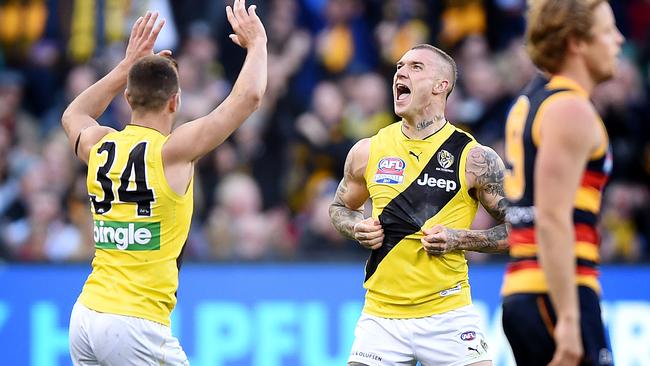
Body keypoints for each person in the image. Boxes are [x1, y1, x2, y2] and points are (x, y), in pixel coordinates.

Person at [62, 1, 267, 364]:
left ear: (127, 96)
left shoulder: (99, 144)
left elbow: (73, 114)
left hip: (86, 316)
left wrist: (124, 68)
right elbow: (248, 98)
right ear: (175, 101)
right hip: (136, 322)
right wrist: (258, 45)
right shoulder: (173, 152)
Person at [329, 43, 509, 366]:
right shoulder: (368, 151)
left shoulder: (475, 158)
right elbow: (339, 208)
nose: (400, 71)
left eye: (415, 67)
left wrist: (460, 239)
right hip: (382, 316)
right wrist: (357, 227)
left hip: (448, 315)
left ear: (442, 86)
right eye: (399, 66)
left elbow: (518, 229)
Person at [500, 1, 624, 365]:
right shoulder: (570, 109)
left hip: (531, 290)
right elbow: (552, 218)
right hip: (554, 293)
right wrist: (569, 318)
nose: (618, 40)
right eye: (606, 31)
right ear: (577, 42)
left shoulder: (535, 99)